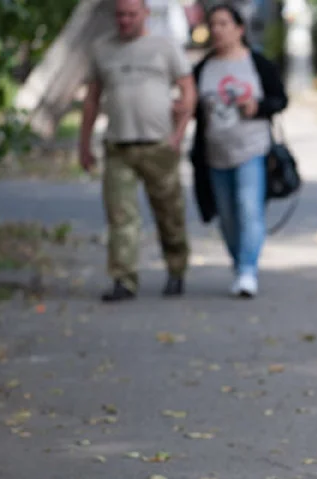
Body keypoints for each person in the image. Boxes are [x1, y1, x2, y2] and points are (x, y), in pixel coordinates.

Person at [80, 0, 196, 302]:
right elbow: (92, 100)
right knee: (120, 216)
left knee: (169, 213)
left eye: (131, 14)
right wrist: (84, 144)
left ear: (145, 14)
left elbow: (188, 90)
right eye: (120, 14)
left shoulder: (164, 47)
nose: (125, 20)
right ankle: (123, 278)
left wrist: (179, 133)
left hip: (159, 145)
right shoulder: (102, 49)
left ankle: (176, 268)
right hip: (118, 145)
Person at [189, 3, 287, 298]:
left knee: (248, 209)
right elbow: (190, 108)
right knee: (227, 215)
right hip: (215, 155)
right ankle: (239, 262)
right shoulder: (203, 68)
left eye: (223, 24)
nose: (217, 30)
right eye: (213, 24)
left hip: (252, 150)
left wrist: (257, 107)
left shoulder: (257, 64)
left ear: (239, 29)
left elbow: (280, 99)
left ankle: (247, 270)